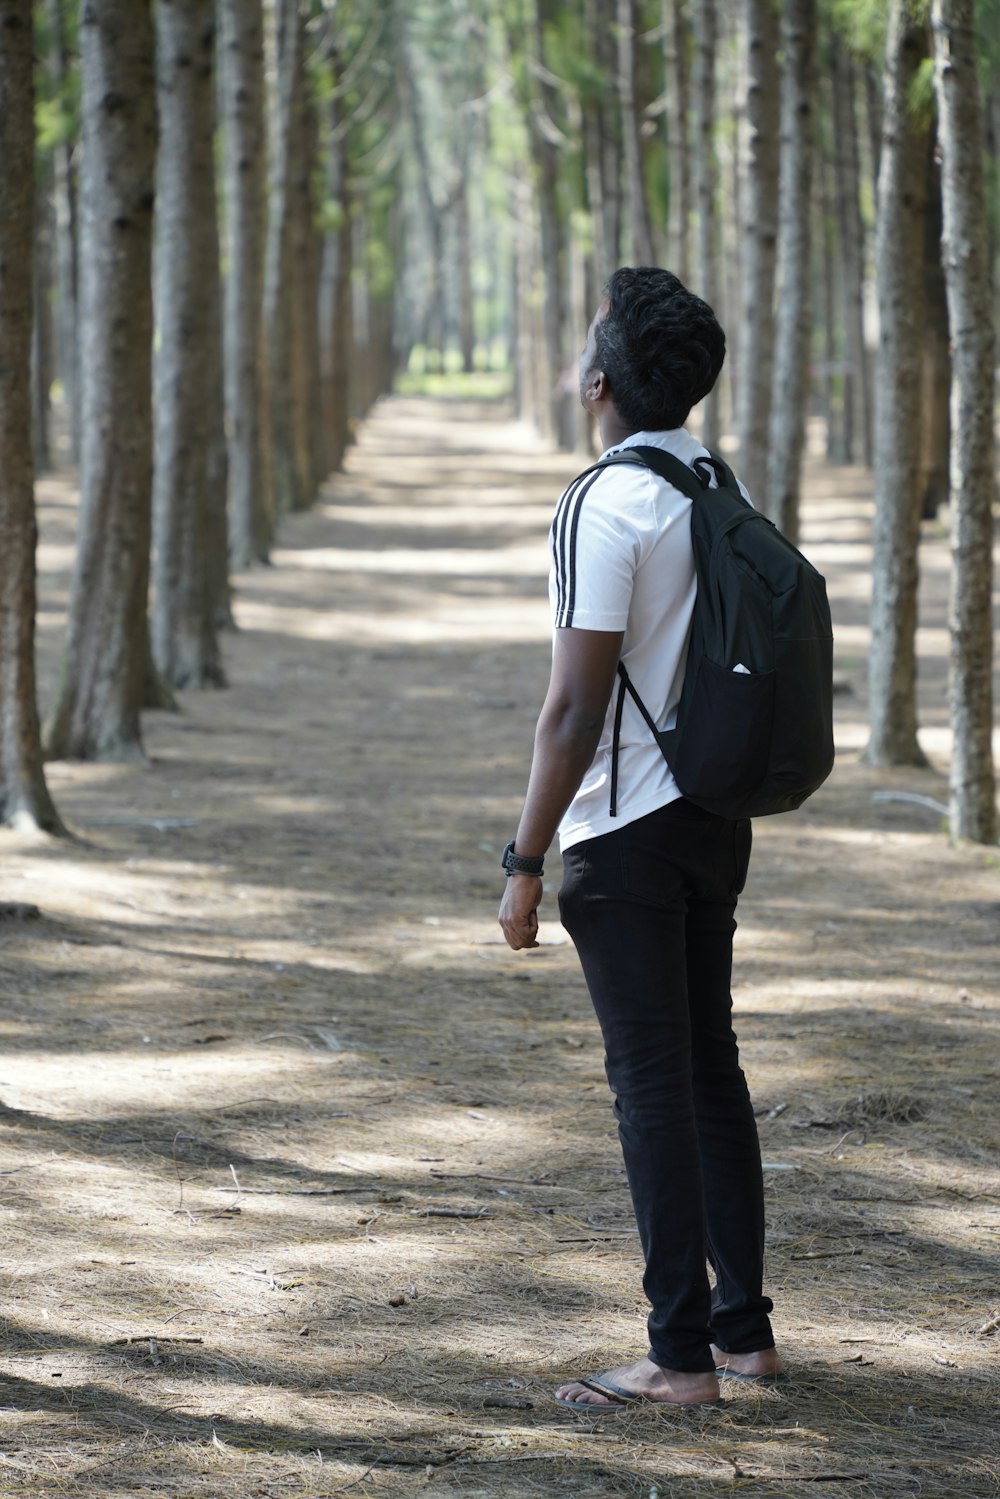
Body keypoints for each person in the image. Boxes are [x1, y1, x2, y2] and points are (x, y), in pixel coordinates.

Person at [498, 266, 783, 1411]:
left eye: (585, 338)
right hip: (714, 818)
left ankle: (674, 1358)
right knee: (707, 1066)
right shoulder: (710, 479)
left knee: (651, 1084)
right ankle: (742, 1335)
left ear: (597, 380)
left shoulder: (601, 499)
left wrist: (523, 862)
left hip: (622, 831)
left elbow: (572, 705)